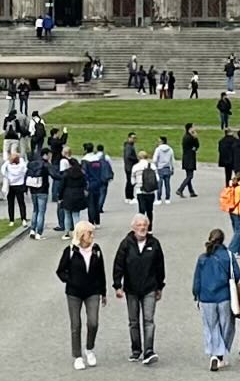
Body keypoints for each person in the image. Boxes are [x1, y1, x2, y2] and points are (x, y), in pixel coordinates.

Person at [113, 214, 167, 364]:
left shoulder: (154, 244)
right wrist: (117, 285)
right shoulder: (126, 244)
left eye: (144, 225)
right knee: (134, 321)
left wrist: (160, 286)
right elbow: (119, 265)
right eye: (139, 225)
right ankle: (136, 349)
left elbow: (160, 266)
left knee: (149, 320)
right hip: (131, 289)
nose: (142, 228)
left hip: (150, 287)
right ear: (133, 228)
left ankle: (149, 350)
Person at [57, 222, 105, 369]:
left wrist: (103, 292)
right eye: (89, 233)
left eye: (92, 233)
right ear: (81, 235)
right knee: (75, 324)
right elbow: (60, 271)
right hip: (74, 293)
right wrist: (71, 281)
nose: (92, 236)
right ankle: (77, 356)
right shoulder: (70, 251)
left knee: (93, 322)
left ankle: (89, 348)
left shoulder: (96, 250)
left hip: (93, 291)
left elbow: (101, 272)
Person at [193, 227, 239, 371]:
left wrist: (196, 294)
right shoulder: (228, 255)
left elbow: (197, 278)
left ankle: (213, 352)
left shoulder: (203, 258)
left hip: (206, 296)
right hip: (224, 295)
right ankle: (220, 355)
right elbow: (236, 274)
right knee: (226, 325)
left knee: (210, 325)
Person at [55, 150, 88, 236]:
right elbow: (85, 184)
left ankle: (66, 232)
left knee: (67, 215)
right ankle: (77, 233)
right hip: (78, 194)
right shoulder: (81, 174)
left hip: (68, 195)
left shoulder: (66, 173)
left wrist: (60, 197)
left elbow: (61, 186)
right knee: (76, 215)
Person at [220, 172, 240, 256]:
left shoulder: (232, 186)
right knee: (238, 232)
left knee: (237, 232)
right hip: (239, 212)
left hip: (232, 211)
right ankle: (231, 250)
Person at [25, 147, 52, 238]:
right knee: (41, 212)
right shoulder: (46, 164)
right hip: (42, 190)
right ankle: (39, 233)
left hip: (33, 190)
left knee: (35, 210)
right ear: (47, 154)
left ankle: (32, 230)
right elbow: (54, 175)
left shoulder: (32, 164)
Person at [85, 144, 112, 225]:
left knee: (91, 203)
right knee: (100, 196)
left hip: (91, 183)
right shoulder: (101, 158)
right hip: (101, 180)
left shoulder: (86, 160)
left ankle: (91, 220)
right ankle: (97, 219)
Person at [1, 146, 29, 223]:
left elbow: (3, 170)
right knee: (21, 203)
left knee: (11, 204)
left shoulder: (9, 167)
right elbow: (25, 168)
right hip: (19, 185)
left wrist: (8, 161)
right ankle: (23, 218)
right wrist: (20, 158)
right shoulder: (21, 166)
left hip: (11, 186)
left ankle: (11, 220)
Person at [132, 150, 159, 227]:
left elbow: (132, 181)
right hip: (150, 191)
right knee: (150, 210)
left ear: (138, 157)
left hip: (140, 191)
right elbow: (157, 179)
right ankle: (150, 228)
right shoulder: (152, 166)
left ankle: (142, 227)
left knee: (141, 210)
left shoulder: (135, 167)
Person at [153, 135, 177, 201]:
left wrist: (156, 166)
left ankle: (159, 198)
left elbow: (154, 160)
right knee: (167, 184)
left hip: (160, 168)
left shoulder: (158, 149)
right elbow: (172, 160)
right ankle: (167, 198)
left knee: (159, 184)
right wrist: (172, 168)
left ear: (161, 141)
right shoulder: (170, 149)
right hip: (167, 168)